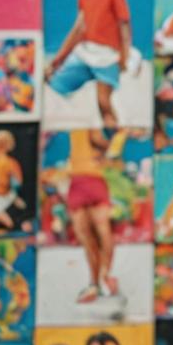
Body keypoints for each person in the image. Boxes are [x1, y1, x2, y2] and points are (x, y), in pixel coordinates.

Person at [45, 0, 132, 129]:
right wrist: (58, 60)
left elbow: (124, 24)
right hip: (85, 53)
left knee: (103, 102)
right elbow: (78, 29)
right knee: (55, 85)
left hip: (107, 55)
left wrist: (125, 56)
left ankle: (116, 143)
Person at [65, 128, 126, 303]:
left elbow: (102, 141)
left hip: (87, 178)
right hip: (83, 179)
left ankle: (100, 278)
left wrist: (109, 149)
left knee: (93, 234)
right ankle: (99, 279)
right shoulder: (78, 122)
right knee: (93, 234)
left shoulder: (88, 120)